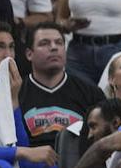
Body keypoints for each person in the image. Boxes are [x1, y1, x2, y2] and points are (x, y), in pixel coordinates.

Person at [18, 21, 104, 149]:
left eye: (59, 43)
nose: (54, 47)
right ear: (29, 54)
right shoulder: (16, 92)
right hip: (30, 163)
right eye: (44, 43)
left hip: (77, 162)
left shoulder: (91, 92)